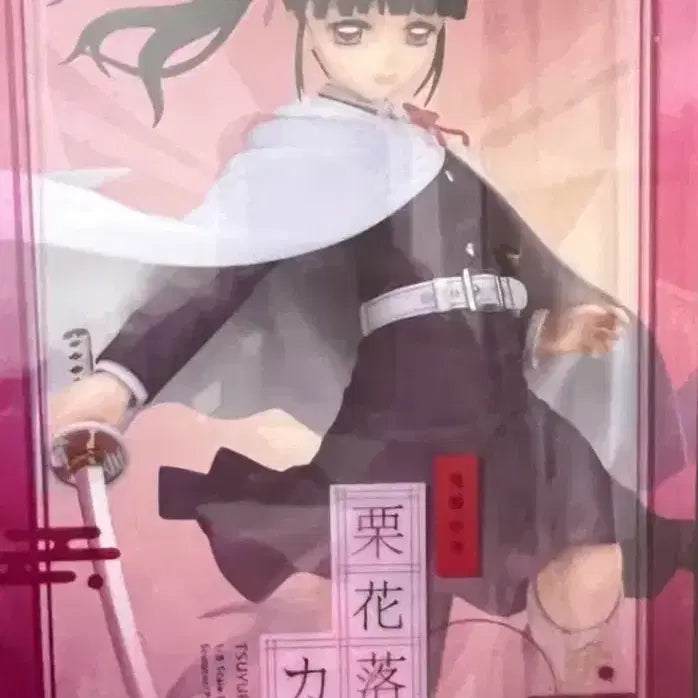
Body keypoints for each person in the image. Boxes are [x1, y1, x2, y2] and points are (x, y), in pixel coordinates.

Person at [46, 0, 694, 691]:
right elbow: (218, 271)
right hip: (402, 421)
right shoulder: (300, 152)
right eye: (353, 31)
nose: (391, 59)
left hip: (507, 413)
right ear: (310, 30)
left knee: (587, 562)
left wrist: (548, 329)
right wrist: (118, 379)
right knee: (390, 624)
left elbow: (512, 270)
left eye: (418, 33)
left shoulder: (438, 153)